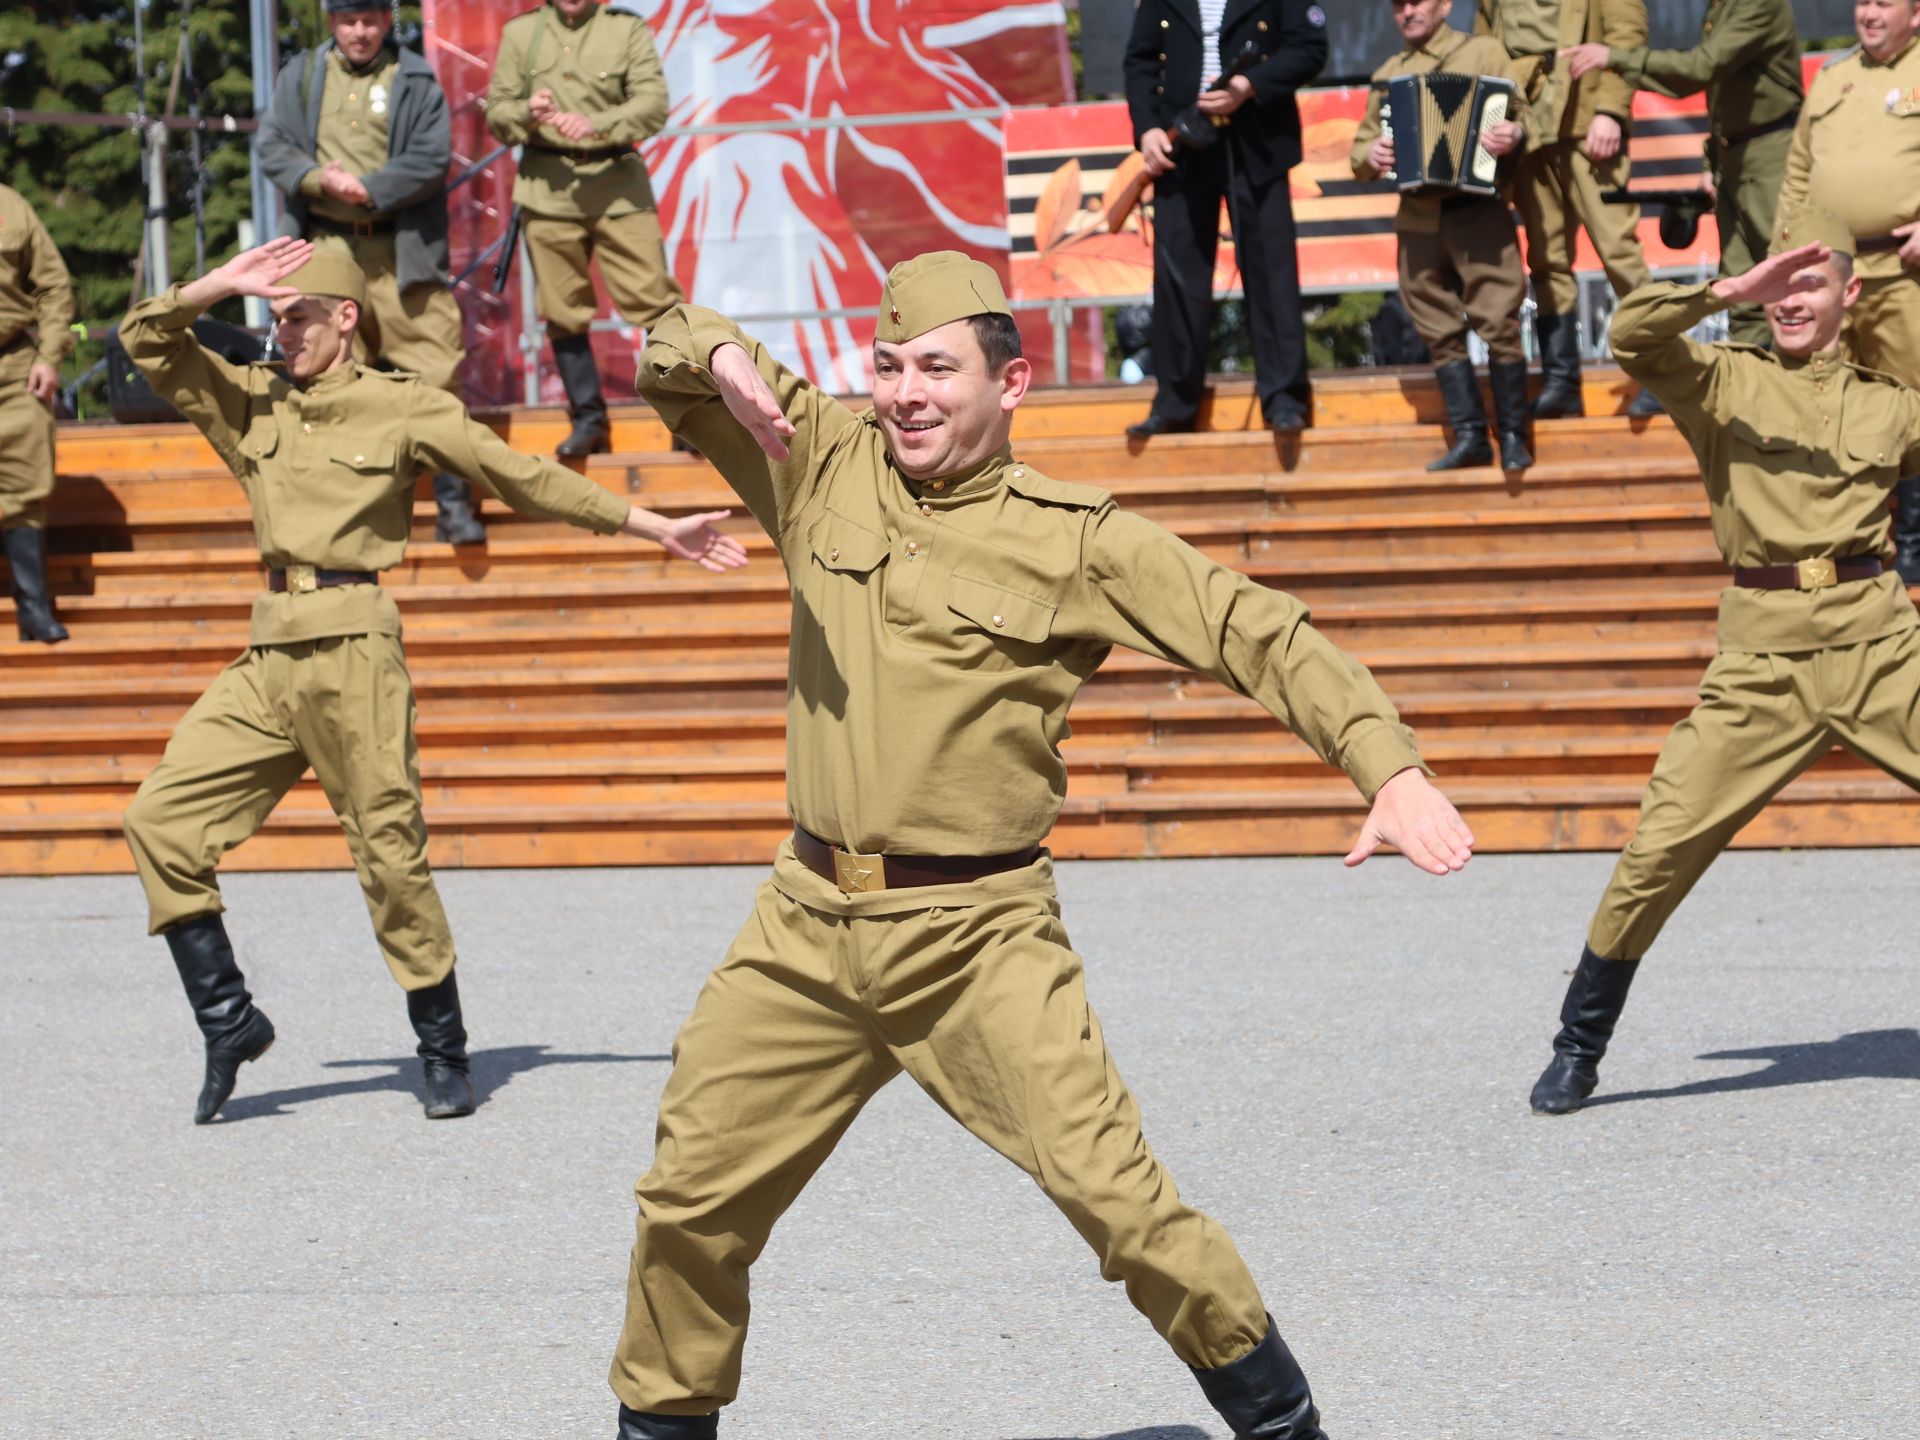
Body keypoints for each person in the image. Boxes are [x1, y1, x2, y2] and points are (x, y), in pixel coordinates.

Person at [606, 250, 1476, 1438]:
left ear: (1011, 386)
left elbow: (1253, 630)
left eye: (938, 370)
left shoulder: (1074, 539)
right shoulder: (815, 462)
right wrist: (710, 350)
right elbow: (671, 345)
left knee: (1120, 1203)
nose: (906, 393)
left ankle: (1284, 1426)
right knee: (686, 1206)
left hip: (974, 937)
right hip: (804, 926)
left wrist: (1389, 762)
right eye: (890, 366)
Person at [117, 237, 746, 1126]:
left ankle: (442, 1048)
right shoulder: (247, 399)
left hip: (355, 651)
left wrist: (652, 527)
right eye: (273, 315)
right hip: (269, 654)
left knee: (389, 855)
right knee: (158, 821)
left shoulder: (400, 408)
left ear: (346, 317)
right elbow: (145, 342)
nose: (281, 330)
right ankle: (229, 1019)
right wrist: (216, 283)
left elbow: (520, 476)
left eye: (298, 314)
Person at [1528, 210, 1920, 1116]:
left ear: (1849, 296)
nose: (1790, 299)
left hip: (1881, 648)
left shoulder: (1890, 403)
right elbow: (1631, 335)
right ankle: (1578, 1045)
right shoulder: (1717, 380)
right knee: (1659, 847)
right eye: (1777, 284)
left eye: (1808, 283)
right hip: (1762, 662)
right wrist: (1726, 291)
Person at [257, 0, 487, 544]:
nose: (359, 32)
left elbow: (433, 157)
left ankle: (454, 506)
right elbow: (271, 145)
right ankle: (337, 512)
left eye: (370, 19)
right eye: (347, 20)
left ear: (387, 21)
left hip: (402, 249)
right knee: (330, 377)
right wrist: (319, 178)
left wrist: (370, 188)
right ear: (331, 21)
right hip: (329, 247)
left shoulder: (414, 77)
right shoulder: (304, 74)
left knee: (436, 370)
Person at [485, 0, 687, 458]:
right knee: (562, 309)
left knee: (657, 303)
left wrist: (597, 123)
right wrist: (525, 112)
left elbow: (653, 106)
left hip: (617, 183)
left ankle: (687, 417)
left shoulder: (625, 30)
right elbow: (496, 112)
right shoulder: (522, 33)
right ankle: (588, 419)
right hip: (547, 188)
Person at [1122, 0, 1330, 438]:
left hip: (1257, 143)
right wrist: (1148, 128)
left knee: (1271, 272)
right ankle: (1175, 403)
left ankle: (1285, 400)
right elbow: (1140, 59)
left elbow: (1310, 48)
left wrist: (1248, 84)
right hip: (1183, 144)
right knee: (1178, 278)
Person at [1352, 0, 1535, 473]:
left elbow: (1524, 117)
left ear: (1445, 5)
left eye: (1416, 2)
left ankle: (1515, 436)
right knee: (1437, 328)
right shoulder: (1388, 74)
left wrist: (1513, 134)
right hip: (1418, 216)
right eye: (1397, 5)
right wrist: (1373, 154)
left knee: (1499, 322)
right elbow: (1360, 152)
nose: (1406, 12)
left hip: (1478, 211)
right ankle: (1471, 436)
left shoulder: (1485, 53)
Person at [1560, 0, 1802, 347]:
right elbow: (1725, 91)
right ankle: (1753, 392)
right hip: (1732, 158)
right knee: (1742, 295)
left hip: (1771, 158)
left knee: (1790, 281)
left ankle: (1808, 391)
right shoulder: (1721, 6)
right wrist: (1711, 162)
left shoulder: (1758, 3)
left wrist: (1613, 57)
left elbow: (1700, 69)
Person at [1778, 0, 1920, 581]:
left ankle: (1912, 540)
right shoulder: (1832, 79)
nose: (1869, 12)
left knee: (1911, 406)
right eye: (1862, 1)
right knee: (1834, 409)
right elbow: (1797, 175)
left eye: (1884, 2)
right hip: (1833, 276)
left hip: (1904, 271)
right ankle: (1856, 541)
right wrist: (1783, 260)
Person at [1476, 0, 1655, 417]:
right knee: (1546, 258)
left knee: (1618, 250)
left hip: (1586, 116)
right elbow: (1486, 47)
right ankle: (1562, 383)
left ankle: (1662, 371)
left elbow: (1628, 35)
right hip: (1524, 125)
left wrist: (1611, 110)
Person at [0, 182, 77, 644]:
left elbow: (53, 286)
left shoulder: (11, 207)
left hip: (12, 365)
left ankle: (33, 607)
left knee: (25, 479)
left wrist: (49, 356)